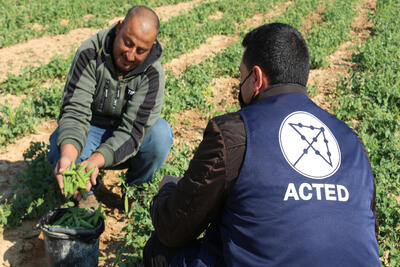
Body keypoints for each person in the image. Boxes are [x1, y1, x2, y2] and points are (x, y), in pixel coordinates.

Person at [143, 23, 381, 266]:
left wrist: (168, 190)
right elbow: (368, 230)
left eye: (241, 76)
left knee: (160, 251)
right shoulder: (352, 140)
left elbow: (175, 227)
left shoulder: (235, 133)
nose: (239, 84)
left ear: (256, 78)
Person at [48, 5, 173, 207]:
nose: (130, 55)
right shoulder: (90, 53)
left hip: (126, 135)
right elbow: (75, 111)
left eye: (141, 50)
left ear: (152, 46)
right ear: (119, 28)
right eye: (127, 43)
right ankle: (84, 193)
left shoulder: (153, 74)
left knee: (160, 136)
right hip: (91, 129)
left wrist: (96, 160)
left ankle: (134, 190)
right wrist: (69, 156)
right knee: (59, 146)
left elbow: (133, 132)